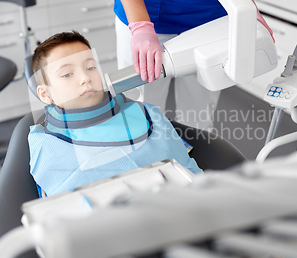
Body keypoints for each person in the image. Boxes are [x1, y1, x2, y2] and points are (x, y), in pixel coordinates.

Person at [108, 0, 273, 131]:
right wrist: (140, 24)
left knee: (199, 117)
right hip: (144, 10)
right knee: (141, 116)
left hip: (212, 15)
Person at [28, 31, 202, 197]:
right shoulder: (46, 145)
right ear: (45, 94)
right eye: (67, 74)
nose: (85, 78)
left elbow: (189, 176)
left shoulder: (147, 113)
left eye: (90, 67)